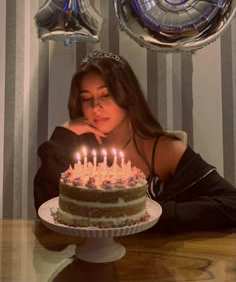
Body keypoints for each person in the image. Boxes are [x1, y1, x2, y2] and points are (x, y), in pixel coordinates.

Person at [34, 49, 236, 233]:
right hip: (91, 260)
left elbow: (231, 204)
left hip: (157, 263)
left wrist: (154, 214)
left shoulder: (163, 150)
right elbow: (50, 211)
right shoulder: (83, 153)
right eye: (87, 98)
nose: (96, 107)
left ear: (127, 95)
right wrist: (64, 132)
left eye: (106, 94)